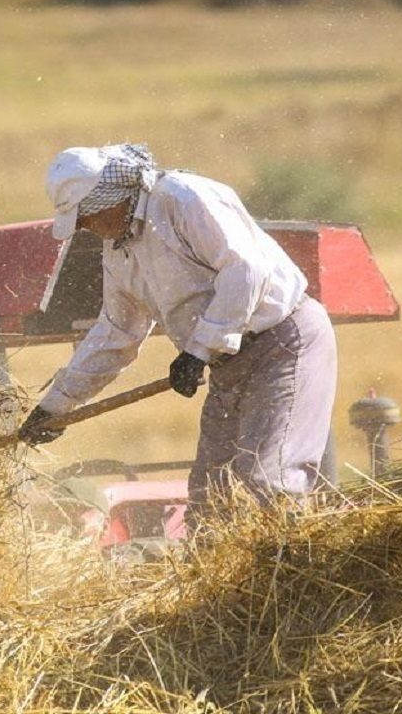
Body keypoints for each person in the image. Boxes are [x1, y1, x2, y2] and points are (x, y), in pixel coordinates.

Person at [17, 143, 337, 526]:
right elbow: (117, 331)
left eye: (84, 217)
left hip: (283, 344)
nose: (83, 228)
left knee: (266, 487)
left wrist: (199, 350)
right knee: (210, 503)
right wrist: (55, 406)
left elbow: (246, 271)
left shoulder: (184, 198)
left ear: (110, 199)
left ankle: (289, 581)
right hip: (228, 365)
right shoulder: (119, 251)